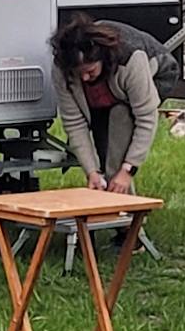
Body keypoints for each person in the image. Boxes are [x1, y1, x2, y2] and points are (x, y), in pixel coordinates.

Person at [51, 11, 167, 194]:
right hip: (108, 90)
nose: (84, 77)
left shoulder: (131, 60)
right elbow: (74, 123)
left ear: (101, 59)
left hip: (159, 71)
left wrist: (128, 170)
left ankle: (126, 212)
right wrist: (91, 172)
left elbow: (146, 118)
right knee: (103, 142)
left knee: (119, 119)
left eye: (90, 70)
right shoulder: (62, 68)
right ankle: (106, 194)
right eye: (78, 72)